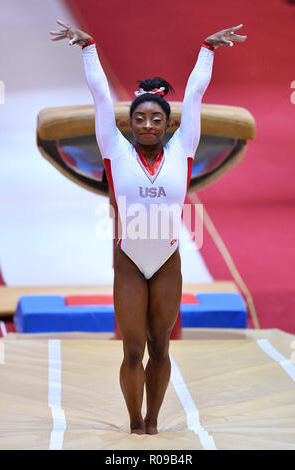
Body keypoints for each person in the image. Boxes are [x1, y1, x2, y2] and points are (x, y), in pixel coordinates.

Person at [50, 20, 246, 435]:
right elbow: (101, 96)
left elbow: (194, 95)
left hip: (168, 262)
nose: (148, 126)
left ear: (168, 125)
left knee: (160, 347)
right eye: (139, 119)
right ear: (130, 123)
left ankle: (154, 423)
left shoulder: (184, 150)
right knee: (133, 348)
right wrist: (88, 47)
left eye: (156, 119)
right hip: (130, 262)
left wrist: (207, 49)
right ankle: (135, 422)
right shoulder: (114, 150)